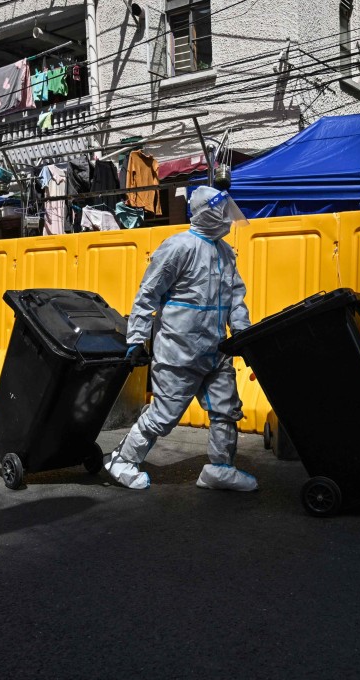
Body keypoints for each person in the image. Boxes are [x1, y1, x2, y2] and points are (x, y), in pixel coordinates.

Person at [103, 186, 258, 491]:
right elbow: (149, 293)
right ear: (207, 213)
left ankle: (220, 468)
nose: (227, 219)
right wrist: (136, 338)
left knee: (226, 410)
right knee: (164, 414)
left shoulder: (226, 253)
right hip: (179, 350)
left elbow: (235, 299)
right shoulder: (178, 247)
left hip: (216, 350)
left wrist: (242, 334)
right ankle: (122, 460)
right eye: (222, 212)